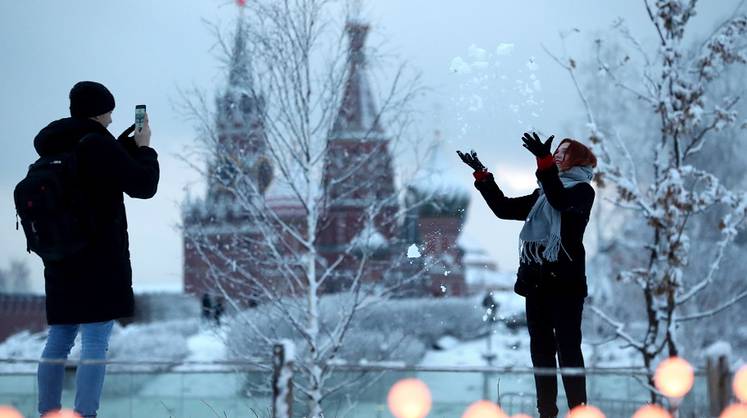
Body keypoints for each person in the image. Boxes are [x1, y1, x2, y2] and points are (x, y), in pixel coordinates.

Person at [34, 81, 159, 418]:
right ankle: (84, 414)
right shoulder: (98, 146)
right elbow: (143, 185)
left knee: (58, 341)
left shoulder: (54, 146)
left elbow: (91, 175)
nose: (111, 119)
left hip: (59, 261)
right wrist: (144, 148)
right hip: (99, 261)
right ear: (101, 111)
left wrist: (120, 148)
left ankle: (47, 412)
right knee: (94, 342)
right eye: (109, 113)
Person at [458, 132, 597, 418]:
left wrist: (543, 162)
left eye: (565, 152)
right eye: (556, 151)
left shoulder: (582, 191)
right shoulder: (540, 196)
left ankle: (579, 412)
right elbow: (504, 208)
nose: (558, 154)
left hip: (566, 286)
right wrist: (483, 176)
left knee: (568, 349)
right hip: (537, 285)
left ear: (578, 161)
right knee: (542, 352)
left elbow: (560, 200)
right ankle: (546, 412)